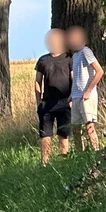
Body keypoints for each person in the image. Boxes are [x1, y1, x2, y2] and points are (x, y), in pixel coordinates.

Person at [34, 29, 73, 166]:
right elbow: (37, 81)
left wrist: (72, 99)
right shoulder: (43, 60)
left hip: (65, 103)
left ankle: (64, 163)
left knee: (63, 134)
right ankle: (44, 163)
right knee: (45, 136)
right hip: (47, 104)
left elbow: (73, 79)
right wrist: (39, 102)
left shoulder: (69, 58)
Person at [67, 26, 104, 151]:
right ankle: (80, 154)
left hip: (86, 96)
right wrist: (72, 95)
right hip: (76, 96)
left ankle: (96, 152)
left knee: (89, 126)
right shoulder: (75, 56)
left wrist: (88, 91)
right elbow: (76, 78)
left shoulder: (85, 51)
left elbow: (99, 71)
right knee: (75, 128)